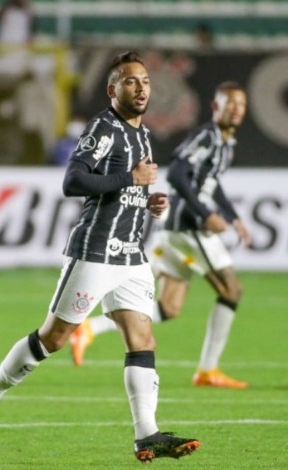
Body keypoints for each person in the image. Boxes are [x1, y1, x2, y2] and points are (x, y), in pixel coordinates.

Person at [0, 51, 201, 463]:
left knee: (142, 339)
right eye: (131, 81)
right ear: (113, 90)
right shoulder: (103, 128)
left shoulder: (142, 134)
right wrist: (131, 178)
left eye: (145, 81)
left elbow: (125, 190)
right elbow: (73, 180)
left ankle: (147, 434)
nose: (141, 87)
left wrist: (148, 200)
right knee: (53, 339)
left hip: (131, 256)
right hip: (95, 253)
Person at [70, 81, 252, 390]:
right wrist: (206, 214)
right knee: (232, 291)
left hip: (177, 230)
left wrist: (232, 216)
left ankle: (89, 329)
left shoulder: (226, 142)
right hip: (189, 227)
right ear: (215, 107)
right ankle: (208, 370)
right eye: (229, 103)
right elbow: (178, 172)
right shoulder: (207, 136)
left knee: (169, 307)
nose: (235, 109)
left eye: (240, 104)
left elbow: (211, 182)